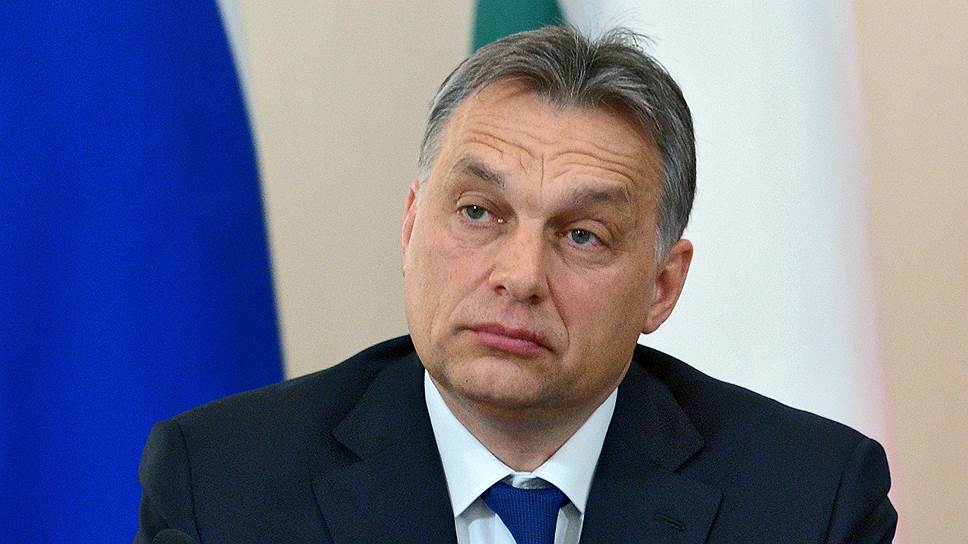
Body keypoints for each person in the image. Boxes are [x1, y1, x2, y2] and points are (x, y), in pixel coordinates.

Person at [135, 26, 896, 543]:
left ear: (662, 288)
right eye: (478, 212)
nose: (521, 276)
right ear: (411, 226)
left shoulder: (810, 503)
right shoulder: (224, 486)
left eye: (583, 235)